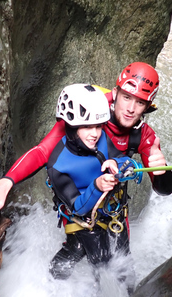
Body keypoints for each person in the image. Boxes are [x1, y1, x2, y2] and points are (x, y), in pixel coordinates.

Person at [0, 62, 172, 216]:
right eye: (127, 98)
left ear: (148, 107)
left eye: (140, 103)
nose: (130, 109)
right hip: (75, 193)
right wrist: (4, 183)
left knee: (120, 264)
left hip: (111, 201)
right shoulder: (89, 106)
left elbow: (165, 189)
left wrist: (162, 170)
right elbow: (43, 151)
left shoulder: (143, 135)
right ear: (115, 93)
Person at [45, 83, 132, 280]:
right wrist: (97, 186)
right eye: (87, 126)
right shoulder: (58, 165)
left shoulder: (101, 140)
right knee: (102, 263)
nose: (95, 133)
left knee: (124, 262)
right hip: (84, 221)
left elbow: (126, 162)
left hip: (113, 212)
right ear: (71, 126)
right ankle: (55, 285)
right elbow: (77, 206)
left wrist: (119, 163)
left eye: (98, 126)